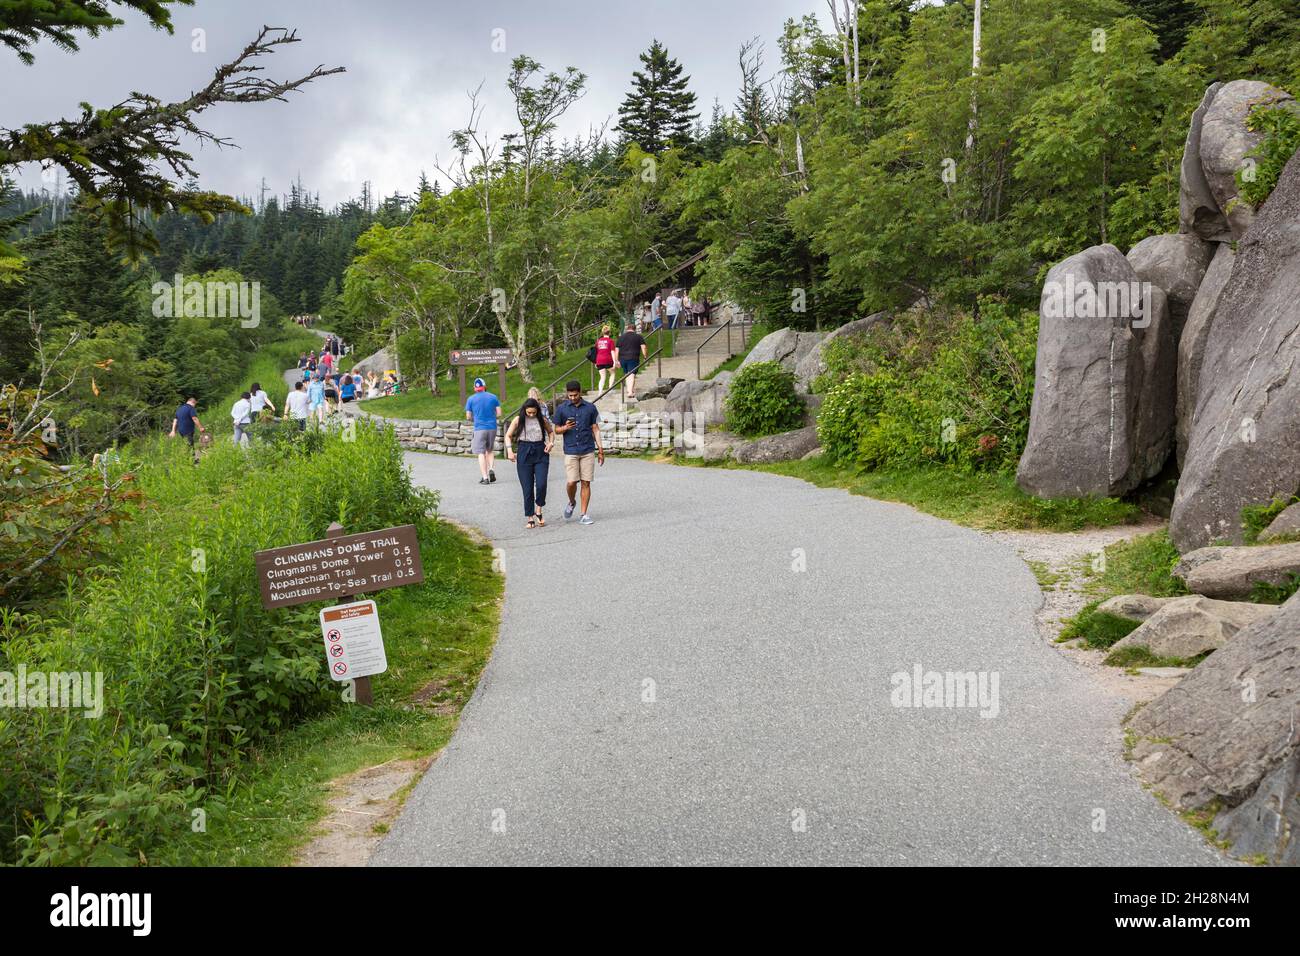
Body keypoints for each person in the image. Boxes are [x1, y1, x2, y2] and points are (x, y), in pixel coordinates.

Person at [553, 380, 604, 525]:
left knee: (586, 482)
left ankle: (584, 514)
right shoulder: (562, 409)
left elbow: (595, 428)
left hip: (587, 449)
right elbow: (556, 430)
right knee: (571, 482)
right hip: (571, 450)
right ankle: (571, 502)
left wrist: (600, 449)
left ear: (580, 392)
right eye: (570, 395)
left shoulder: (590, 408)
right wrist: (565, 428)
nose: (573, 398)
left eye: (575, 395)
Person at [504, 397, 555, 529]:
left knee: (542, 484)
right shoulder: (518, 419)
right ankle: (530, 517)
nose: (531, 415)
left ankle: (539, 509)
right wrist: (509, 451)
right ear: (524, 411)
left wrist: (550, 443)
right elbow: (508, 436)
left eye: (533, 412)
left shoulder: (541, 419)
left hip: (540, 452)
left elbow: (551, 432)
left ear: (537, 411)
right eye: (529, 413)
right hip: (524, 452)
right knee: (527, 488)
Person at [464, 376, 502, 485]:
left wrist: (474, 419)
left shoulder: (471, 399)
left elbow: (468, 416)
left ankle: (485, 478)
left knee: (480, 452)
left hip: (479, 428)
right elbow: (499, 413)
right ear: (484, 386)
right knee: (489, 450)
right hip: (492, 427)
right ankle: (491, 469)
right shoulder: (493, 397)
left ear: (475, 388)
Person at [614, 323, 648, 402]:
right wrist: (645, 356)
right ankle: (629, 392)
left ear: (627, 329)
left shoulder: (621, 337)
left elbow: (617, 350)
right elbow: (644, 347)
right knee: (632, 374)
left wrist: (616, 360)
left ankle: (630, 389)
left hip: (622, 359)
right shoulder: (638, 337)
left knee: (627, 374)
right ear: (634, 329)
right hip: (633, 358)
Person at [168, 396, 205, 461]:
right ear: (193, 402)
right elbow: (195, 418)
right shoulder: (190, 408)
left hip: (181, 431)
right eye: (195, 405)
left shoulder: (180, 409)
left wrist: (173, 431)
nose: (194, 406)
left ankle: (189, 459)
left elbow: (175, 420)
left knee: (188, 444)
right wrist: (200, 427)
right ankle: (192, 461)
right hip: (188, 430)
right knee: (190, 445)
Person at [594, 324, 616, 393]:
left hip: (599, 360)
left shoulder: (598, 341)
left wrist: (595, 362)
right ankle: (610, 389)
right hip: (608, 360)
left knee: (602, 377)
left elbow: (596, 352)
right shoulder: (610, 341)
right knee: (612, 373)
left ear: (603, 332)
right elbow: (612, 352)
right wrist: (614, 362)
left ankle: (600, 392)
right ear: (609, 332)